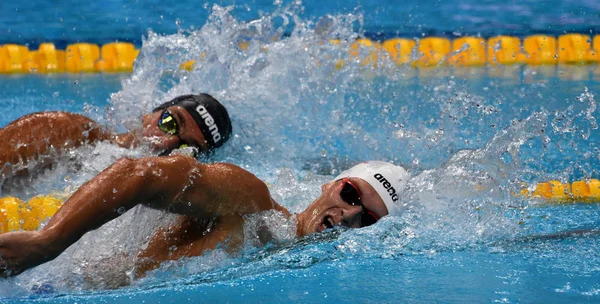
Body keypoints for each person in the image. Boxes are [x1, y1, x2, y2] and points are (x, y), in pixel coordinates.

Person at [0, 157, 409, 278]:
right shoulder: (251, 203)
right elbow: (138, 174)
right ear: (330, 185)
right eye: (352, 194)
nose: (350, 214)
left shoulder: (288, 259)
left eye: (368, 217)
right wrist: (47, 243)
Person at [0, 94, 232, 182]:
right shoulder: (68, 132)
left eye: (186, 147)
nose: (166, 142)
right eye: (170, 123)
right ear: (152, 112)